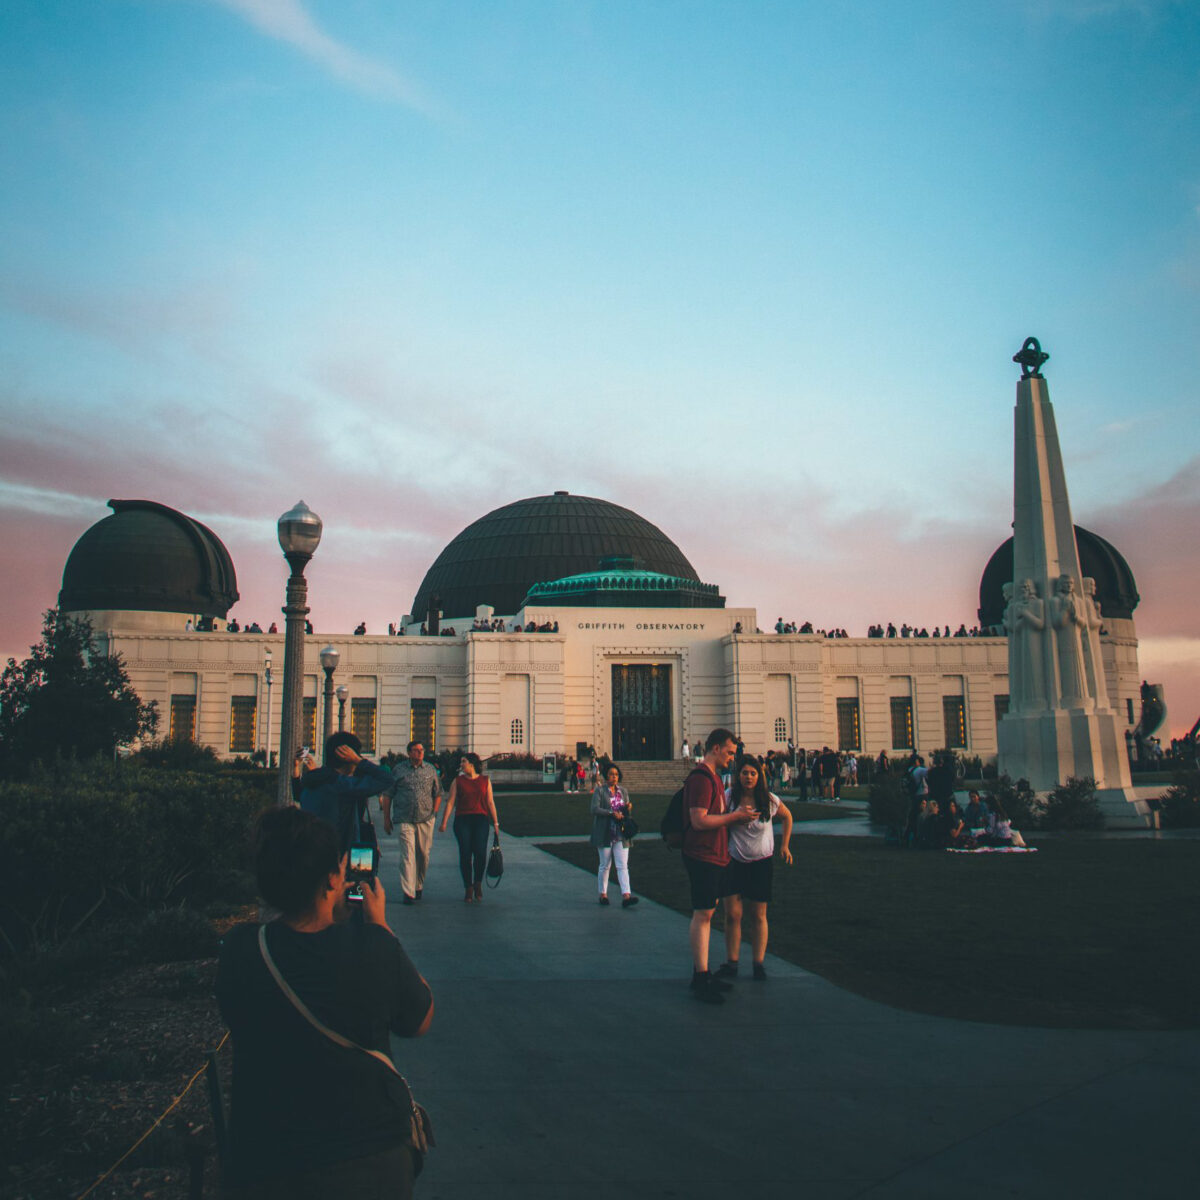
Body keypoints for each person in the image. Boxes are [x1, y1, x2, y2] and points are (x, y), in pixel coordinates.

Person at [216, 807, 433, 1198]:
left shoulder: (242, 949)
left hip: (264, 1160)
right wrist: (379, 927)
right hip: (365, 1159)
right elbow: (419, 1019)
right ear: (333, 879)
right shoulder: (372, 947)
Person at [682, 728, 756, 1004]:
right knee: (702, 915)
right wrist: (733, 817)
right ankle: (701, 978)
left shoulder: (713, 777)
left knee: (707, 914)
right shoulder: (702, 779)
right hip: (702, 855)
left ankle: (702, 971)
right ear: (715, 749)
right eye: (729, 752)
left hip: (713, 855)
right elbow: (699, 820)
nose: (732, 758)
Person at [715, 757, 793, 982]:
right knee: (732, 915)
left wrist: (785, 845)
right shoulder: (729, 798)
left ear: (759, 777)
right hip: (733, 862)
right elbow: (717, 821)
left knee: (758, 915)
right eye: (744, 773)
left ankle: (758, 963)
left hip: (761, 863)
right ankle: (732, 962)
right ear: (738, 776)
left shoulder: (768, 800)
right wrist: (734, 818)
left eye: (753, 773)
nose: (748, 777)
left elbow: (787, 817)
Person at [299, 732, 393, 853]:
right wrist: (358, 760)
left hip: (311, 849)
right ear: (346, 756)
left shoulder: (314, 780)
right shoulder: (342, 785)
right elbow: (387, 779)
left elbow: (298, 796)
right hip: (336, 852)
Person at [382, 741, 443, 906]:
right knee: (407, 855)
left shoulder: (430, 770)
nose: (420, 753)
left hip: (425, 818)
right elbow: (388, 794)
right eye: (416, 750)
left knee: (423, 854)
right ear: (409, 753)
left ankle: (418, 884)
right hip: (404, 818)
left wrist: (435, 814)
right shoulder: (399, 770)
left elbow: (438, 793)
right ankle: (408, 892)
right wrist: (386, 818)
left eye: (422, 750)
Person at [438, 752, 499, 903]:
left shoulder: (485, 780)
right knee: (465, 854)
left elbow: (490, 802)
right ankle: (468, 887)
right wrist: (444, 822)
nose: (461, 764)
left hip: (480, 820)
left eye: (463, 761)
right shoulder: (457, 781)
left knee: (480, 852)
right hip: (462, 820)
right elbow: (451, 802)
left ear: (471, 764)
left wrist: (496, 823)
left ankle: (477, 882)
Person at [589, 764, 639, 908]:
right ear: (606, 776)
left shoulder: (623, 791)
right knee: (605, 865)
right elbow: (594, 809)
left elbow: (626, 812)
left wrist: (627, 808)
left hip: (621, 833)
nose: (614, 777)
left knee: (623, 865)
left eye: (616, 774)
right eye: (611, 774)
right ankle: (603, 894)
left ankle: (626, 895)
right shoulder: (600, 791)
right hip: (605, 832)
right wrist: (611, 813)